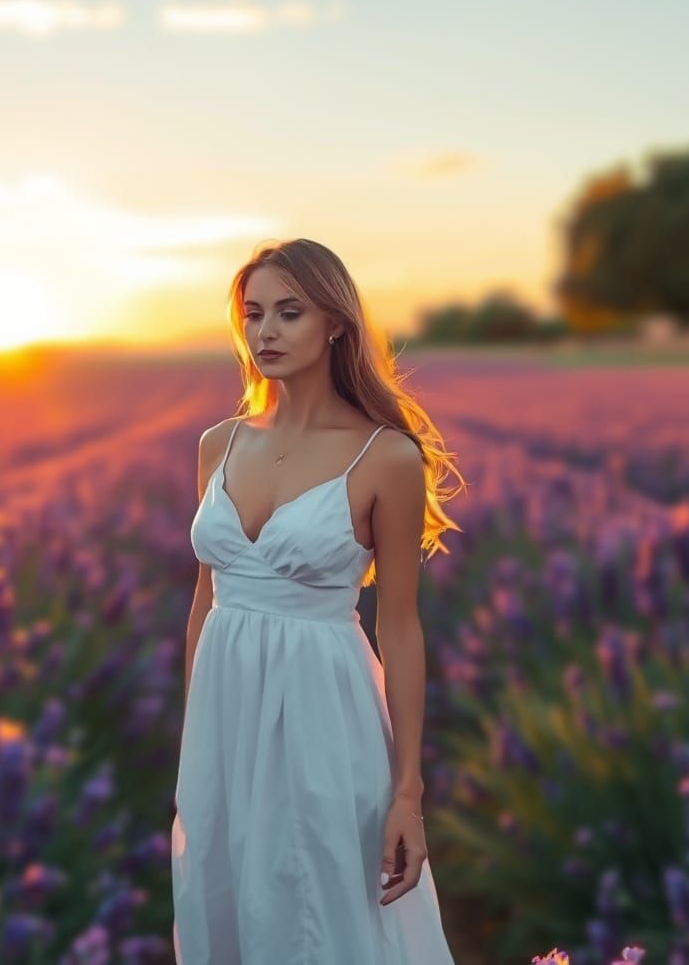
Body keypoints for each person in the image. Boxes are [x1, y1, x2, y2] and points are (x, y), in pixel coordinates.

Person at [172, 238, 466, 964]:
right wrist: (196, 733)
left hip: (324, 711)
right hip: (224, 713)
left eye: (289, 313)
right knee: (229, 897)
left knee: (323, 901)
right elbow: (205, 600)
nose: (265, 332)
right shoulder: (220, 442)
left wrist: (408, 794)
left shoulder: (385, 456)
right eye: (253, 314)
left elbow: (398, 629)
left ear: (336, 323)